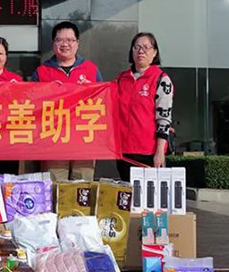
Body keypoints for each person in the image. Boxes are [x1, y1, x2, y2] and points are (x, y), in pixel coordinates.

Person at [30, 21, 101, 181]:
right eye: (59, 40)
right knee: (54, 187)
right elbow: (32, 106)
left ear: (77, 43)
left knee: (82, 187)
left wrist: (89, 91)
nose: (65, 44)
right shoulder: (42, 72)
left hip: (84, 141)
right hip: (53, 141)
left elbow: (103, 104)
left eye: (69, 40)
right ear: (53, 43)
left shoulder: (91, 70)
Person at [115, 31, 173, 181]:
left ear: (154, 53)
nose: (141, 51)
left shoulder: (161, 79)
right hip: (123, 150)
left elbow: (164, 118)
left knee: (147, 194)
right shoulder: (121, 79)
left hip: (148, 151)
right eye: (137, 47)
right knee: (126, 193)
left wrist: (160, 151)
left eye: (146, 47)